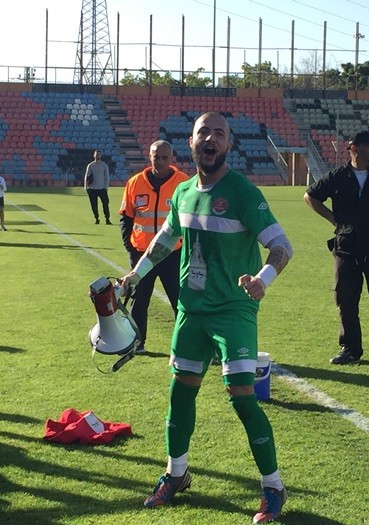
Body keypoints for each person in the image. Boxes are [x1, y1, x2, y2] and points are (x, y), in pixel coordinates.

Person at [119, 112, 293, 524]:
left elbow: (282, 247)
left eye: (219, 133)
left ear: (228, 144)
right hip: (191, 311)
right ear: (192, 143)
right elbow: (165, 239)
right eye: (203, 133)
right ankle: (176, 474)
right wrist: (135, 275)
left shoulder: (243, 193)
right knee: (180, 393)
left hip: (233, 310)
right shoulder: (182, 193)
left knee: (242, 396)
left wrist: (263, 279)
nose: (210, 139)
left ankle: (273, 487)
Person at [303, 131, 369, 370]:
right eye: (368, 145)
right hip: (346, 247)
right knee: (346, 301)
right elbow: (310, 196)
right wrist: (333, 219)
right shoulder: (338, 176)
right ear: (354, 148)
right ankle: (350, 350)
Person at [118, 140, 190, 354]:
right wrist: (131, 248)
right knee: (139, 300)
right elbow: (126, 218)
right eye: (156, 157)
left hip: (172, 253)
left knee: (180, 301)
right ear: (149, 156)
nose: (159, 161)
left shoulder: (183, 183)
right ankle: (137, 343)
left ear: (171, 158)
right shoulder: (134, 183)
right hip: (142, 253)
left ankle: (187, 345)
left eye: (164, 157)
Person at [84, 149, 112, 225]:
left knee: (105, 204)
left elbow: (107, 177)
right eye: (96, 154)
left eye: (99, 154)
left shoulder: (104, 165)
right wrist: (86, 188)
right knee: (94, 205)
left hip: (102, 188)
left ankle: (107, 219)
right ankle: (97, 218)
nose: (98, 155)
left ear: (101, 155)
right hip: (92, 189)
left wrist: (106, 187)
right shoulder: (90, 165)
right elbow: (86, 176)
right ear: (94, 155)